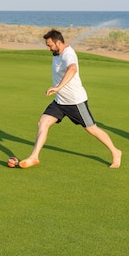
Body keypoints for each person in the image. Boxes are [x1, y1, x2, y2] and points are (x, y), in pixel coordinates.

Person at [19, 30, 122, 169]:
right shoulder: (57, 53)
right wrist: (58, 91)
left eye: (50, 45)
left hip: (75, 102)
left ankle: (116, 152)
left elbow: (72, 69)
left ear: (58, 42)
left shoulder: (68, 54)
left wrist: (57, 87)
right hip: (60, 101)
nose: (48, 48)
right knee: (42, 123)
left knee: (92, 129)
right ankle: (34, 156)